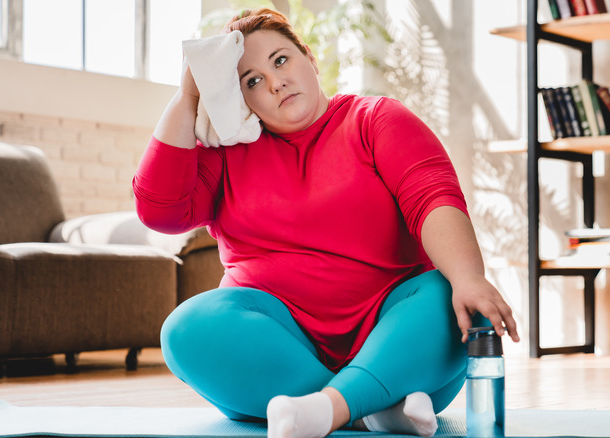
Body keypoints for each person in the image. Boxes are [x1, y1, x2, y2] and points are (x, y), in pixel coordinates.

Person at [133, 8, 519, 438]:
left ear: (309, 58)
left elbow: (433, 198)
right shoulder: (226, 155)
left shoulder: (375, 119)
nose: (275, 81)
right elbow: (160, 209)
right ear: (242, 99)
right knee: (185, 330)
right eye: (252, 81)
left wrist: (468, 277)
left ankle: (331, 405)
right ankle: (368, 407)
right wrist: (188, 95)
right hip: (282, 347)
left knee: (444, 292)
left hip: (399, 341)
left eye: (280, 61)